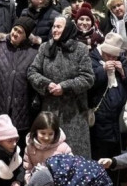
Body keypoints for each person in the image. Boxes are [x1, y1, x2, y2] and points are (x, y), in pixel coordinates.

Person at [28, 17, 95, 158]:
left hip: (74, 113)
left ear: (68, 29)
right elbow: (32, 72)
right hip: (50, 111)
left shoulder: (80, 49)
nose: (54, 30)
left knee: (75, 158)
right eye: (54, 27)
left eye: (59, 27)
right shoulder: (45, 47)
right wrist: (46, 84)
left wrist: (64, 87)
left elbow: (88, 78)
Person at [88, 33, 127, 163]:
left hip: (119, 117)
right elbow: (88, 81)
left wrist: (123, 71)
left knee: (117, 156)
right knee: (100, 153)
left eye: (114, 56)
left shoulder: (123, 61)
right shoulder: (91, 59)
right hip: (100, 116)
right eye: (108, 55)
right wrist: (102, 69)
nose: (111, 58)